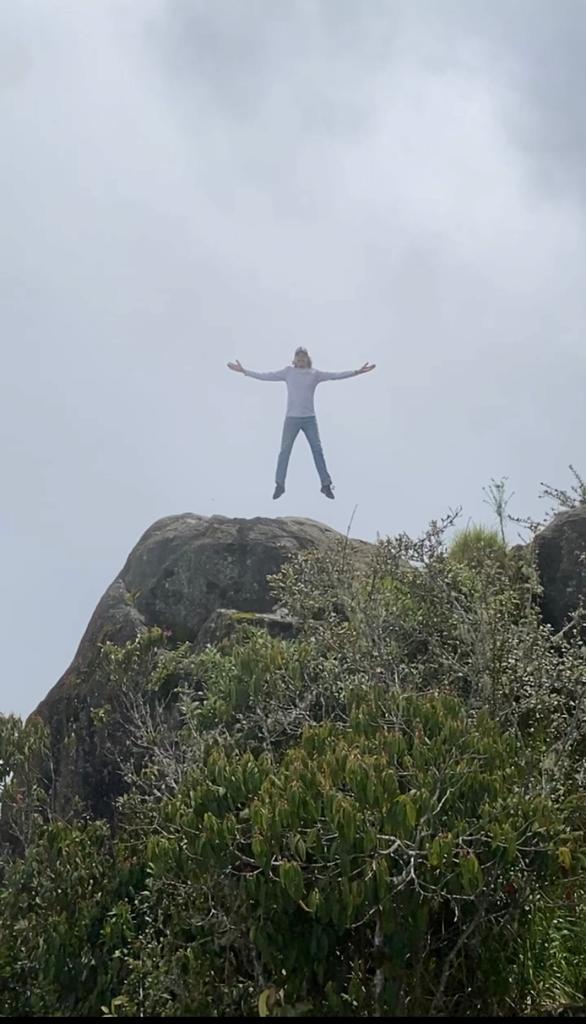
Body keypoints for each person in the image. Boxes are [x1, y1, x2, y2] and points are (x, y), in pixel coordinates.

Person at [227, 347, 375, 499]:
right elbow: (266, 376)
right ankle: (280, 484)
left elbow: (335, 376)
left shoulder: (315, 374)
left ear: (307, 360)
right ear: (294, 360)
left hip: (309, 418)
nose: (300, 360)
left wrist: (357, 372)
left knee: (317, 450)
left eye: (303, 358)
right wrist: (245, 371)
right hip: (291, 418)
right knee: (285, 450)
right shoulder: (288, 372)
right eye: (298, 358)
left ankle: (326, 485)